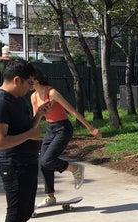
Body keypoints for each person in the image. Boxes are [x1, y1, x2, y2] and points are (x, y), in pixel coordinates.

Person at [0, 59, 53, 222]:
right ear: (17, 80)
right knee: (15, 217)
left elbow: (26, 131)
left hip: (27, 163)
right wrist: (30, 134)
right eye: (29, 83)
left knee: (23, 213)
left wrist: (38, 116)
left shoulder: (16, 99)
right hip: (13, 166)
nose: (31, 88)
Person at [31, 68, 102, 207]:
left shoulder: (51, 93)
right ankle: (50, 197)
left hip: (63, 128)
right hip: (50, 129)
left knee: (47, 160)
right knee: (43, 164)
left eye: (29, 80)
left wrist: (91, 128)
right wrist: (31, 138)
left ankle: (75, 169)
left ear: (36, 80)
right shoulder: (33, 97)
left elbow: (73, 111)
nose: (27, 83)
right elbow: (36, 120)